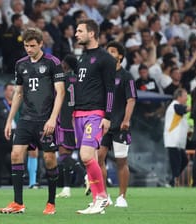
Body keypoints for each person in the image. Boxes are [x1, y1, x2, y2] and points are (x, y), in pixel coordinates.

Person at [0, 27, 65, 215]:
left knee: (49, 159)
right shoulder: (21, 64)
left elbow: (60, 92)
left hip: (45, 119)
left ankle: (51, 203)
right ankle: (18, 203)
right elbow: (18, 93)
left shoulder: (53, 63)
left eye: (32, 46)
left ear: (41, 44)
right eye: (26, 46)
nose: (29, 49)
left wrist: (53, 118)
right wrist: (10, 120)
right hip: (26, 120)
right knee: (16, 155)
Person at [73, 19, 116, 215]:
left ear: (91, 34)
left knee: (86, 155)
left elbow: (110, 90)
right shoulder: (82, 57)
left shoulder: (106, 59)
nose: (76, 34)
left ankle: (102, 197)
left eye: (80, 31)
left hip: (96, 113)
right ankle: (96, 200)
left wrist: (107, 116)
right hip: (79, 114)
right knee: (90, 159)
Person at [98, 41, 137, 208]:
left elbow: (131, 99)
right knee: (99, 158)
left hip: (120, 124)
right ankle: (104, 196)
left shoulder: (126, 76)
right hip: (104, 124)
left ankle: (122, 196)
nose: (109, 54)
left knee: (121, 161)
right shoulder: (102, 76)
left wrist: (126, 120)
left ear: (120, 55)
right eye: (107, 52)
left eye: (113, 52)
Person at [55, 54, 83, 198]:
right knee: (71, 155)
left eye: (62, 62)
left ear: (66, 64)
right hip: (77, 120)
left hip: (64, 120)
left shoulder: (62, 79)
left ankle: (83, 175)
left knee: (64, 155)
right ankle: (67, 188)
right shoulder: (79, 80)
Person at [0, 82, 15, 188]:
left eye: (14, 90)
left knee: (16, 162)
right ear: (5, 91)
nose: (12, 92)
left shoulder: (18, 104)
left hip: (15, 138)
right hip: (1, 138)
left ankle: (15, 184)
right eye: (10, 90)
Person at [164, 88, 190, 187]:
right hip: (173, 140)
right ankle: (173, 181)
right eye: (185, 96)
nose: (187, 98)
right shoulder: (174, 105)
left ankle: (172, 180)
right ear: (179, 97)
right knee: (177, 163)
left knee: (183, 160)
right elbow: (183, 109)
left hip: (177, 141)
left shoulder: (177, 106)